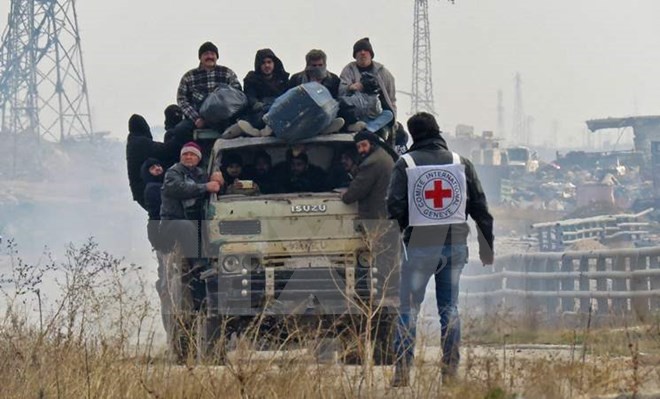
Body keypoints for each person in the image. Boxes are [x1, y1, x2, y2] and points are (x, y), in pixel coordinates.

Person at [387, 113, 494, 387]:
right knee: (450, 308)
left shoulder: (405, 163)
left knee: (409, 309)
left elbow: (394, 207)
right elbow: (480, 208)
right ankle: (450, 373)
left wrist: (409, 226)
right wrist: (486, 247)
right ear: (437, 131)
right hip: (454, 246)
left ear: (413, 135)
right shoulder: (461, 163)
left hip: (418, 247)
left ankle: (401, 373)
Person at [159, 141, 223, 361]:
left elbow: (214, 185)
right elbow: (177, 189)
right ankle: (198, 263)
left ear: (198, 158)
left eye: (192, 154)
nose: (188, 157)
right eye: (185, 154)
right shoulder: (173, 173)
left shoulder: (199, 173)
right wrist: (207, 187)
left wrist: (217, 179)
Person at [126, 114, 191, 209]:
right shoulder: (139, 143)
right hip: (145, 191)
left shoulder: (134, 143)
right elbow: (165, 150)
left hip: (141, 192)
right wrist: (181, 135)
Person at [177, 41, 243, 135]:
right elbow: (181, 99)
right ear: (200, 57)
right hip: (197, 119)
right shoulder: (189, 76)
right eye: (206, 54)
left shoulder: (227, 73)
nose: (210, 57)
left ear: (217, 57)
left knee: (241, 129)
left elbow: (238, 95)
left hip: (224, 119)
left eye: (212, 54)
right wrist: (196, 118)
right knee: (179, 131)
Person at [339, 38, 397, 135]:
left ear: (371, 54)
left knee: (389, 114)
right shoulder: (348, 70)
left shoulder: (383, 73)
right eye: (359, 51)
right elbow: (341, 91)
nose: (362, 53)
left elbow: (391, 99)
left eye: (365, 50)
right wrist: (351, 87)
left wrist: (394, 121)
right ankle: (352, 126)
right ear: (355, 55)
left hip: (376, 112)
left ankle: (369, 129)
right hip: (356, 111)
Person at [232, 49, 289, 138]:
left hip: (279, 110)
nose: (267, 65)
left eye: (269, 62)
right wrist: (257, 104)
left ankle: (270, 128)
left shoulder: (283, 79)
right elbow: (250, 96)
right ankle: (254, 130)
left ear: (274, 63)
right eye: (263, 63)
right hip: (259, 111)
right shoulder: (252, 79)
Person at [341, 131, 396, 220]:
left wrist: (345, 195)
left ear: (372, 143)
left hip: (376, 218)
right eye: (358, 147)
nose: (361, 150)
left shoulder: (372, 162)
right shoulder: (382, 156)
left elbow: (355, 192)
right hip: (386, 215)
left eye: (364, 145)